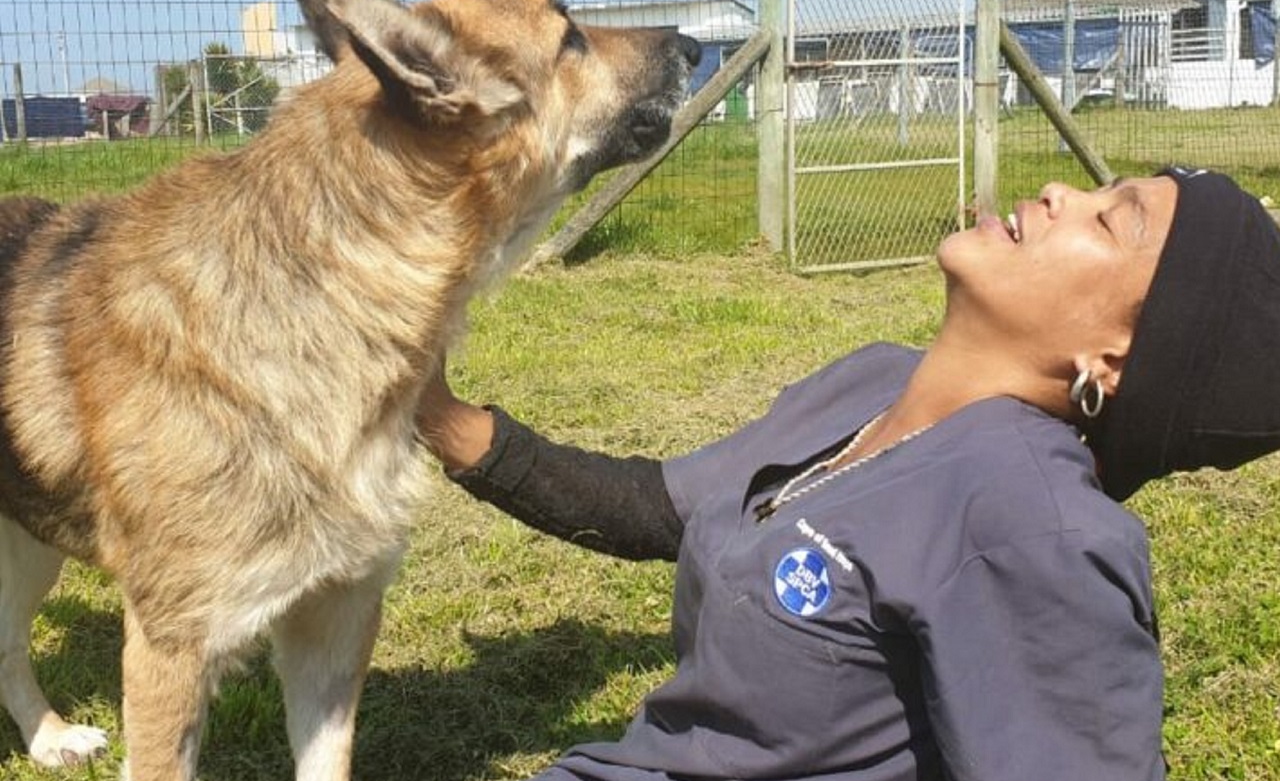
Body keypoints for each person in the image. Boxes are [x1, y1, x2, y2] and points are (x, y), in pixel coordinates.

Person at [415, 166, 1280, 781]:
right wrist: (442, 418)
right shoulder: (873, 380)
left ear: (1118, 359)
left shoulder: (1032, 527)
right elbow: (660, 509)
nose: (1062, 193)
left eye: (1108, 221)